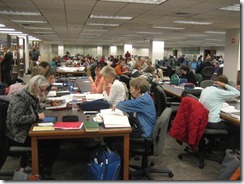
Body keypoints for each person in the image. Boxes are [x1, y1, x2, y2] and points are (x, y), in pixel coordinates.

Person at [5, 75, 60, 179]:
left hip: (27, 129)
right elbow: (16, 119)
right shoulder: (20, 97)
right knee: (52, 142)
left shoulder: (32, 95)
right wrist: (35, 116)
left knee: (53, 139)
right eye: (41, 89)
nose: (42, 92)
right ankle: (44, 171)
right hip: (18, 135)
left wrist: (46, 105)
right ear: (34, 85)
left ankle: (43, 167)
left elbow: (38, 109)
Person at [199, 75, 240, 150]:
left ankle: (214, 143)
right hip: (212, 122)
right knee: (237, 128)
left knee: (228, 123)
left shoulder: (206, 89)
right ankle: (230, 153)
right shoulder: (219, 92)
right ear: (222, 85)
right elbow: (237, 93)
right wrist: (224, 85)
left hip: (203, 120)